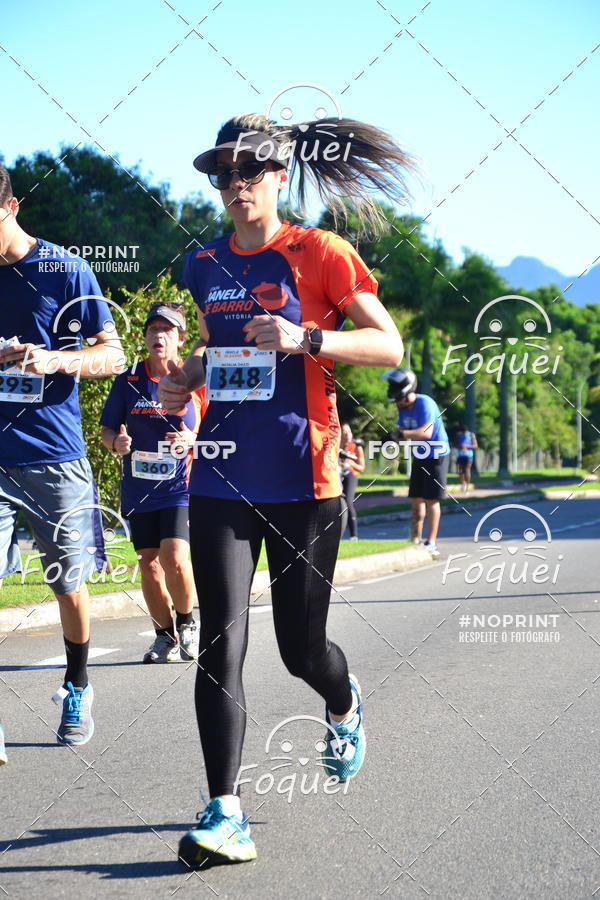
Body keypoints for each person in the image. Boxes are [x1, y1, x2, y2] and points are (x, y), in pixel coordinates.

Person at [157, 113, 411, 867]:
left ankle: (342, 701)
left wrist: (308, 338)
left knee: (300, 651)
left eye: (249, 171)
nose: (234, 184)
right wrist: (182, 382)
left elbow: (387, 342)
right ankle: (224, 811)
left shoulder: (321, 253)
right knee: (219, 644)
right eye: (221, 173)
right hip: (223, 476)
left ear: (279, 176)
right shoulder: (202, 263)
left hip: (306, 481)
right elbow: (215, 353)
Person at [0, 165, 125, 755]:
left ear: (12, 206)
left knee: (66, 583)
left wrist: (53, 361)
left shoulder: (64, 269)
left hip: (53, 455)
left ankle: (77, 682)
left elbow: (112, 354)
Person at [100, 302, 206, 663]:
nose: (158, 335)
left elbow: (216, 430)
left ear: (180, 338)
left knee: (174, 556)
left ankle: (188, 623)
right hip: (139, 486)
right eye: (152, 329)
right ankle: (163, 637)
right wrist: (117, 442)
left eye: (167, 330)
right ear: (145, 336)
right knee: (148, 562)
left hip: (181, 486)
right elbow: (106, 430)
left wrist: (192, 439)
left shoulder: (195, 380)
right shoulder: (128, 378)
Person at [383, 368, 450, 558]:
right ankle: (415, 539)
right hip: (420, 455)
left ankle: (431, 542)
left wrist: (401, 434)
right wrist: (392, 438)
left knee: (432, 500)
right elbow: (402, 429)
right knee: (415, 499)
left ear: (406, 392)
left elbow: (426, 432)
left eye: (398, 397)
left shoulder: (424, 403)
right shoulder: (403, 407)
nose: (396, 402)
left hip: (437, 455)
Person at [339, 423, 365, 541]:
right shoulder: (335, 445)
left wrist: (351, 463)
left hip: (350, 475)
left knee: (348, 502)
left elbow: (361, 467)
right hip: (337, 475)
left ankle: (354, 534)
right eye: (344, 432)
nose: (347, 435)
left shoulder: (356, 446)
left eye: (349, 432)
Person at [456, 424, 478, 493]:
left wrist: (466, 446)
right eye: (463, 432)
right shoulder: (459, 435)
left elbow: (475, 446)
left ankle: (467, 487)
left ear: (467, 431)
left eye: (465, 432)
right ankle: (463, 483)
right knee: (460, 471)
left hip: (468, 455)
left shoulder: (471, 435)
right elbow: (455, 444)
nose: (464, 433)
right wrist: (461, 446)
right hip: (460, 455)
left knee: (467, 470)